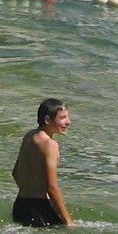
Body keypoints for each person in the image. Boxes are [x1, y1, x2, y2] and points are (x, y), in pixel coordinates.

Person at [11, 97, 73, 227]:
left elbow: (15, 172)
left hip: (20, 205)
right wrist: (69, 221)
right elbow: (52, 187)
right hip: (40, 208)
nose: (68, 122)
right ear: (47, 120)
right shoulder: (50, 145)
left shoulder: (29, 136)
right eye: (62, 118)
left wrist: (30, 191)